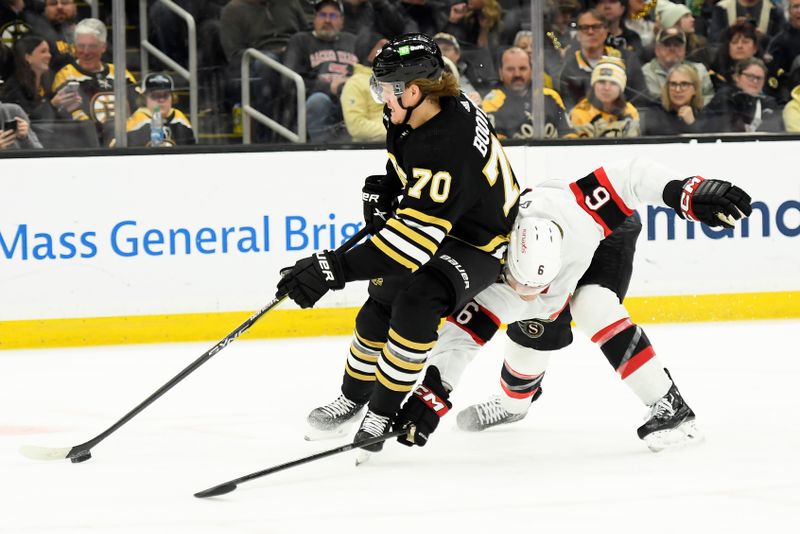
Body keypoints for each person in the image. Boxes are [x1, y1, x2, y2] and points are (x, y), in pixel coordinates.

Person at [278, 33, 520, 458]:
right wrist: (391, 187)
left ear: (413, 90)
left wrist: (330, 269)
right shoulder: (414, 111)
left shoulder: (448, 142)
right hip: (445, 219)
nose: (379, 98)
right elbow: (407, 166)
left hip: (479, 242)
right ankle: (353, 397)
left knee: (415, 299)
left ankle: (381, 412)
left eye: (385, 89)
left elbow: (410, 246)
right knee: (379, 300)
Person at [426, 161, 752, 452]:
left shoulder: (582, 217)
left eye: (537, 287)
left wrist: (685, 192)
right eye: (521, 284)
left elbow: (632, 176)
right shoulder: (487, 247)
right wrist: (432, 389)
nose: (528, 294)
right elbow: (460, 338)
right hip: (538, 258)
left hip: (604, 240)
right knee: (532, 329)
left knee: (591, 303)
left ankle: (670, 406)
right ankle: (515, 404)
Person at [51, 18, 138, 146]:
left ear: (103, 47)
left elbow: (137, 107)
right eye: (81, 46)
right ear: (74, 46)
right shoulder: (65, 75)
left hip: (125, 140)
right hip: (86, 144)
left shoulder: (120, 73)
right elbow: (72, 115)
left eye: (92, 46)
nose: (86, 52)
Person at [283, 0, 358, 143]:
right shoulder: (301, 40)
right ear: (315, 18)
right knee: (319, 101)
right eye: (322, 15)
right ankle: (322, 150)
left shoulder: (353, 41)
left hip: (351, 99)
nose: (327, 20)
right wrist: (328, 87)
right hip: (317, 102)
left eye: (333, 16)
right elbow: (289, 82)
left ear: (342, 21)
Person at [557, 8, 648, 110]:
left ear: (606, 31)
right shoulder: (569, 69)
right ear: (577, 34)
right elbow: (567, 108)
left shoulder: (627, 61)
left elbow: (641, 102)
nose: (590, 32)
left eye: (596, 27)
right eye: (584, 28)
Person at [482, 46, 571, 139]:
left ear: (531, 71)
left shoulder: (551, 96)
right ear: (500, 73)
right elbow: (497, 145)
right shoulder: (492, 102)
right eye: (510, 69)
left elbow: (568, 135)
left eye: (522, 68)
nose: (517, 74)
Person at [0, 34, 78, 123]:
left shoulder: (47, 85)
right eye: (43, 51)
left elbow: (53, 123)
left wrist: (65, 108)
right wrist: (52, 105)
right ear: (28, 57)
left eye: (49, 51)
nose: (49, 56)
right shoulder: (13, 89)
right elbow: (26, 122)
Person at [704, 57, 783, 133]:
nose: (755, 81)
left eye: (759, 78)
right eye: (750, 77)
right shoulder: (724, 98)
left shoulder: (769, 103)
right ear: (737, 77)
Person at [568, 55, 641, 137]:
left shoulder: (629, 111)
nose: (606, 88)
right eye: (601, 82)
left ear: (621, 89)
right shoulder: (580, 113)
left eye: (613, 83)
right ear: (593, 85)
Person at [642, 27, 714, 106]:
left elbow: (709, 101)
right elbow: (656, 103)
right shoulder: (646, 72)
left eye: (677, 45)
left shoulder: (700, 70)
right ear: (657, 50)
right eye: (667, 44)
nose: (672, 48)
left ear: (684, 49)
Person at [340, 32, 387, 143]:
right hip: (371, 149)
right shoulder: (355, 83)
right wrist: (396, 133)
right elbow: (356, 127)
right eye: (383, 48)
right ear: (370, 54)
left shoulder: (399, 78)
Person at [125, 73, 195, 147]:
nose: (161, 100)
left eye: (165, 95)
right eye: (155, 96)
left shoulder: (180, 119)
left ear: (172, 97)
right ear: (144, 98)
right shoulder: (137, 120)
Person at [643, 63, 706, 135]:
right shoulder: (655, 111)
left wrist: (692, 123)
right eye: (673, 84)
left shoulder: (703, 113)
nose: (678, 90)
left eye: (684, 84)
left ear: (695, 89)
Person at [705, 21, 763, 91]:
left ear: (755, 48)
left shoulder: (764, 72)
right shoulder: (715, 73)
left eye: (745, 42)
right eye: (734, 42)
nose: (739, 46)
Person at [27, 0, 78, 72]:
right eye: (53, 4)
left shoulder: (87, 33)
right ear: (45, 9)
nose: (59, 7)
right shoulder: (35, 37)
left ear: (74, 6)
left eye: (65, 3)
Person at [708, 0, 785, 46]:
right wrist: (731, 31)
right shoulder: (722, 8)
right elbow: (713, 41)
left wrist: (763, 38)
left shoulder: (774, 10)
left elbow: (781, 45)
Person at [765, 0, 800, 102]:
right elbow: (774, 81)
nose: (799, 11)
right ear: (788, 11)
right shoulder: (779, 42)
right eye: (796, 7)